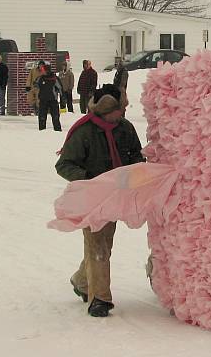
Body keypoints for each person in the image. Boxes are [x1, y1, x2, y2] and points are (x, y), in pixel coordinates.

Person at [55, 84, 144, 317]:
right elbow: (63, 165)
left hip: (116, 198)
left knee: (105, 245)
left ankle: (83, 281)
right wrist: (89, 179)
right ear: (106, 110)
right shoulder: (84, 132)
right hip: (91, 199)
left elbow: (136, 154)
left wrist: (136, 171)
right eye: (119, 109)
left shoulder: (125, 128)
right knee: (98, 245)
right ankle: (100, 300)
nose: (123, 112)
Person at [36, 64, 62, 131]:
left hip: (53, 100)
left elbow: (60, 88)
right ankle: (42, 130)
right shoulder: (40, 78)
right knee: (42, 116)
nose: (42, 71)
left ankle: (57, 130)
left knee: (55, 116)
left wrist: (63, 98)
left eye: (43, 70)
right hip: (43, 100)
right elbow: (35, 84)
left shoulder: (54, 78)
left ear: (46, 70)